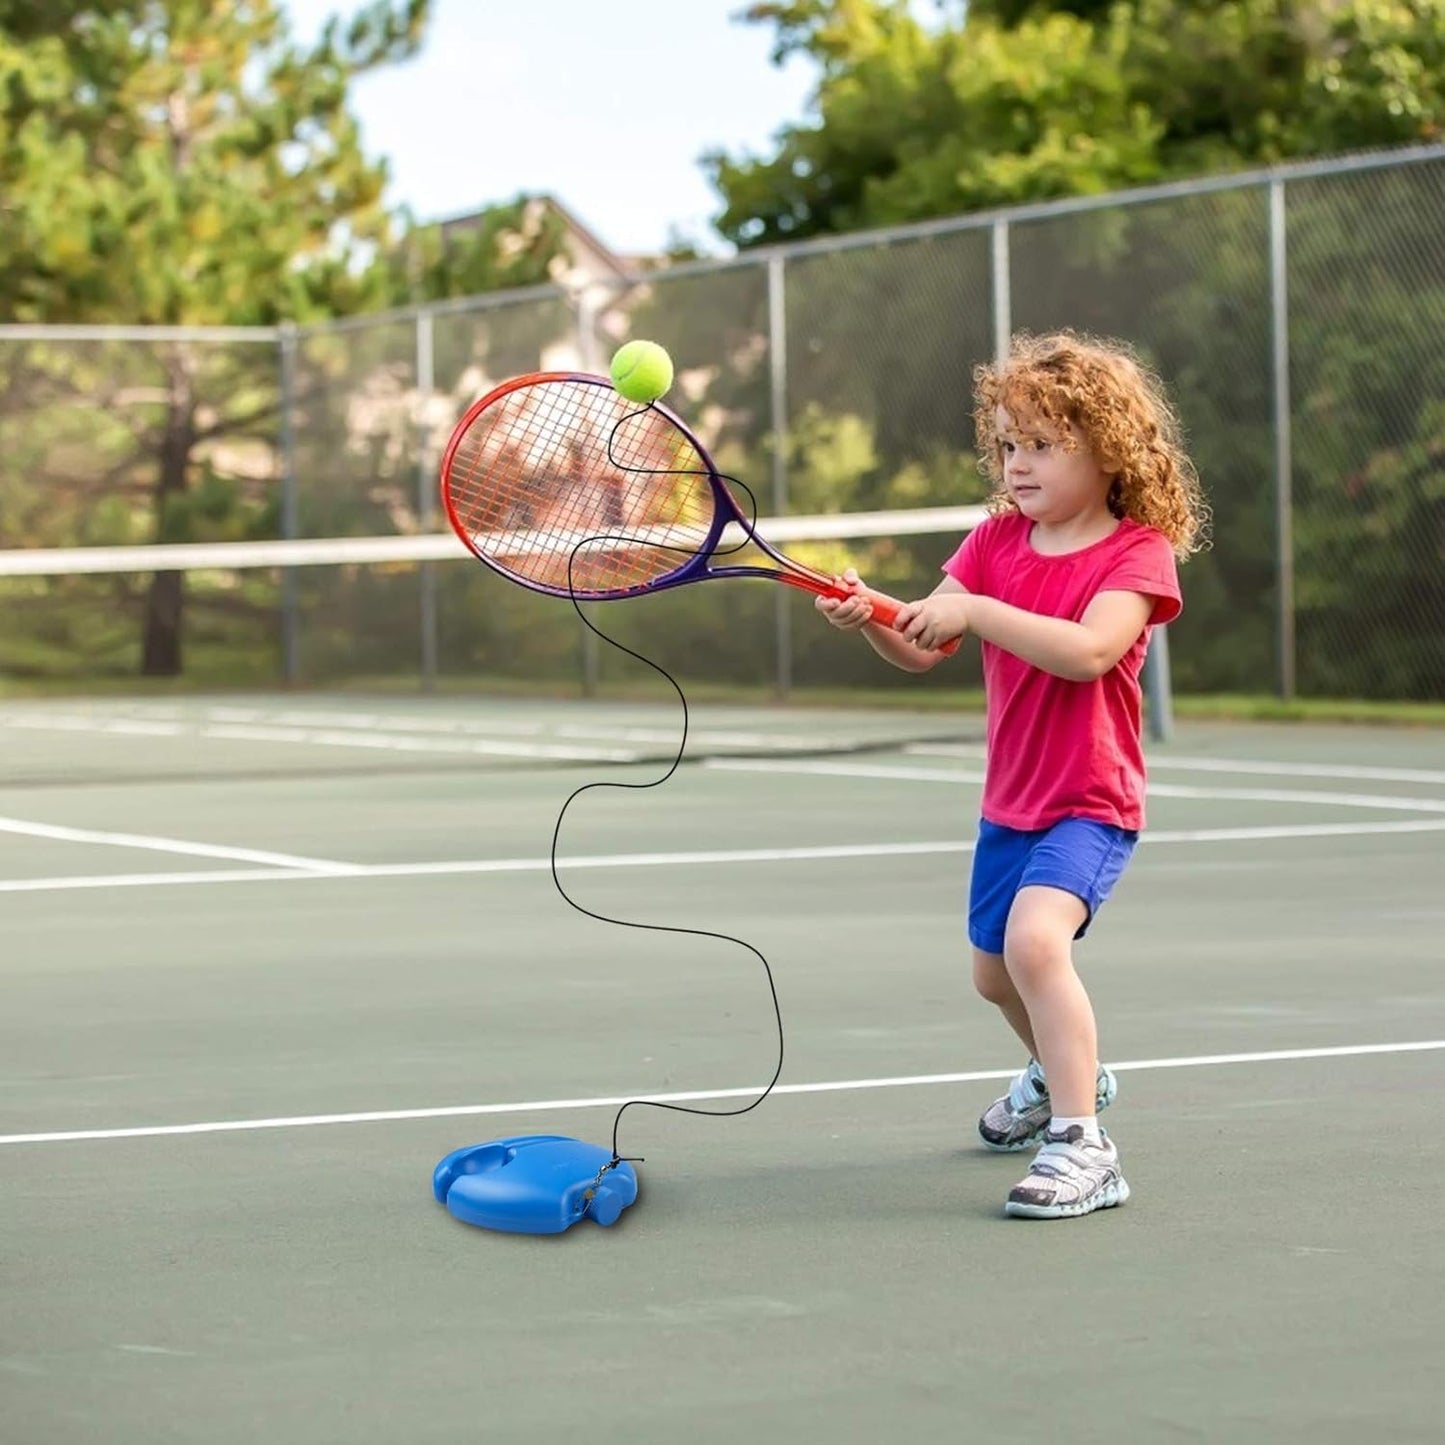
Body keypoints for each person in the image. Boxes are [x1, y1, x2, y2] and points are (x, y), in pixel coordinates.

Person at [817, 331, 1208, 1220]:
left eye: (1040, 443)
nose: (1016, 462)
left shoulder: (1133, 553)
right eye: (1006, 444)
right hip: (1010, 803)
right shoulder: (994, 539)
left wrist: (978, 608)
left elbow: (1091, 651)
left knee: (1037, 945)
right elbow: (927, 647)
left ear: (1107, 449)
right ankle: (1061, 1072)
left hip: (1089, 800)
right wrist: (875, 616)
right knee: (993, 976)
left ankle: (1082, 1144)